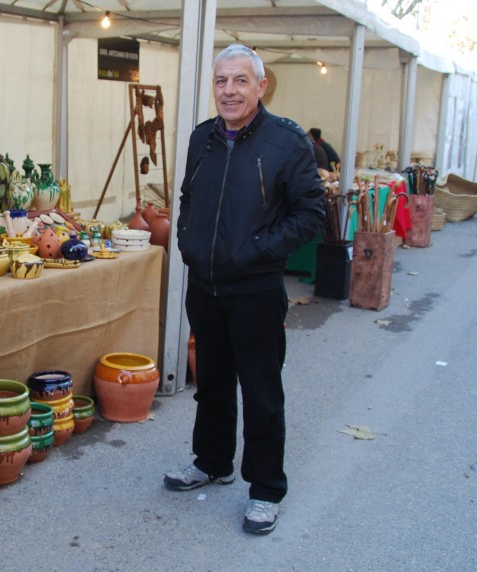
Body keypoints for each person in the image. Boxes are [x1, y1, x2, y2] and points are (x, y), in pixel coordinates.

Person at [166, 44, 325, 536]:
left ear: (261, 86)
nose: (229, 91)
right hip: (206, 284)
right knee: (211, 383)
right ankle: (212, 461)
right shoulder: (201, 139)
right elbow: (188, 198)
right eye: (221, 81)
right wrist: (188, 240)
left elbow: (311, 214)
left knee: (260, 391)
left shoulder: (287, 142)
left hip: (255, 289)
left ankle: (265, 488)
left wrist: (257, 250)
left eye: (239, 81)